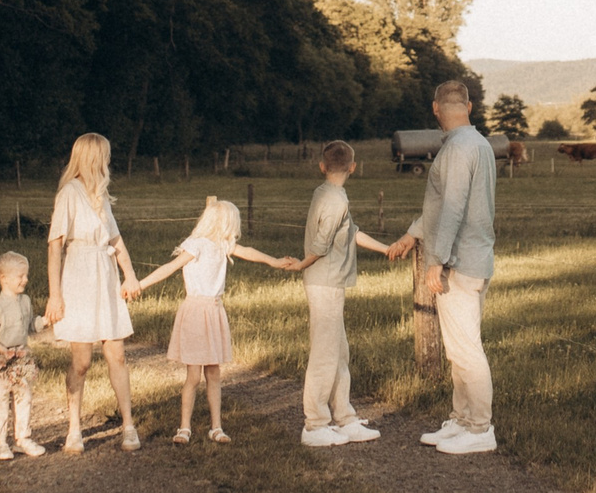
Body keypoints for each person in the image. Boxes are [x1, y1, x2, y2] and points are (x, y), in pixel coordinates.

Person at [123, 197, 294, 444]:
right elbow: (169, 268)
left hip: (214, 312)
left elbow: (247, 252)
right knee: (193, 376)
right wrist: (140, 285)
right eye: (233, 225)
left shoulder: (222, 245)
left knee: (214, 373)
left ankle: (217, 427)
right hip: (195, 313)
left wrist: (273, 261)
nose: (235, 231)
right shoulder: (197, 245)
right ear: (222, 223)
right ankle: (184, 428)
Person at [390, 80, 498, 454]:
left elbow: (451, 208)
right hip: (476, 257)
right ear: (468, 106)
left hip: (459, 262)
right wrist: (412, 234)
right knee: (458, 347)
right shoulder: (477, 144)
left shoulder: (456, 149)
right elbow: (442, 206)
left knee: (466, 349)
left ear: (435, 109)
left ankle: (481, 428)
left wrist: (436, 260)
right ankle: (462, 419)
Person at [290, 140, 398, 447]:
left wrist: (386, 249)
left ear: (322, 167)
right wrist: (301, 265)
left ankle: (344, 418)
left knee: (339, 352)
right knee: (325, 354)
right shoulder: (335, 199)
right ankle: (314, 425)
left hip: (331, 282)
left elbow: (350, 232)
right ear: (353, 167)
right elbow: (321, 245)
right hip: (324, 282)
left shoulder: (327, 193)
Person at [45, 132, 142, 452]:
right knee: (82, 360)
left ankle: (128, 425)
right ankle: (74, 429)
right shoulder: (69, 193)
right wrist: (55, 295)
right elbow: (55, 246)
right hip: (79, 277)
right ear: (92, 158)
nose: (109, 162)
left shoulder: (100, 194)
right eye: (106, 156)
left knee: (117, 353)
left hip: (106, 276)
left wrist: (129, 276)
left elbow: (116, 241)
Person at [0, 250, 45, 460]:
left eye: (26, 275)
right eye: (20, 276)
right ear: (4, 279)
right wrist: (3, 350)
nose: (25, 280)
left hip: (20, 362)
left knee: (23, 397)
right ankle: (0, 442)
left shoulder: (25, 301)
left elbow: (31, 326)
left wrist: (46, 321)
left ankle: (23, 438)